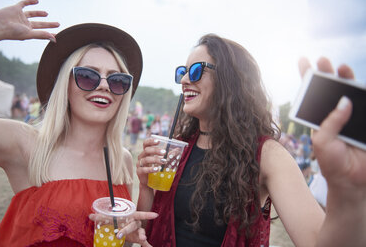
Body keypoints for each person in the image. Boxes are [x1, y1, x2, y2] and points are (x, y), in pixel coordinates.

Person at [136, 33, 366, 247]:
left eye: (196, 70)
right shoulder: (180, 146)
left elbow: (315, 240)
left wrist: (349, 194)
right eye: (182, 72)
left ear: (230, 79)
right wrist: (146, 187)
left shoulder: (266, 154)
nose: (184, 80)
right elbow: (149, 232)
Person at [0, 0, 157, 246]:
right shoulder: (25, 143)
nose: (103, 85)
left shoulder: (120, 159)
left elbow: (126, 238)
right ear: (65, 86)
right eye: (88, 75)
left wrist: (146, 191)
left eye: (117, 80)